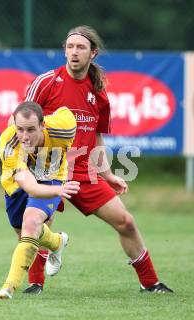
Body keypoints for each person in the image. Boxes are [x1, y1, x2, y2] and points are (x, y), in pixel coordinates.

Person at [24, 25, 173, 294]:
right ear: (64, 51)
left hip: (83, 171)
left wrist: (109, 174)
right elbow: (20, 124)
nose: (74, 52)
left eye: (81, 47)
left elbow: (96, 140)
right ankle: (35, 284)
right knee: (40, 223)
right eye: (70, 47)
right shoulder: (46, 82)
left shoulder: (99, 93)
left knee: (125, 221)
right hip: (47, 168)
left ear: (93, 53)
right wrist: (21, 165)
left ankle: (150, 283)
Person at [0, 101, 80, 300]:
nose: (25, 137)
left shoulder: (63, 129)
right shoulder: (9, 144)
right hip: (18, 184)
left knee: (31, 223)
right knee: (21, 229)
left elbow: (64, 109)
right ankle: (57, 242)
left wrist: (56, 187)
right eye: (20, 129)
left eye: (31, 129)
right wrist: (60, 190)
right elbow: (30, 187)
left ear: (43, 125)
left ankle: (8, 287)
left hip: (50, 176)